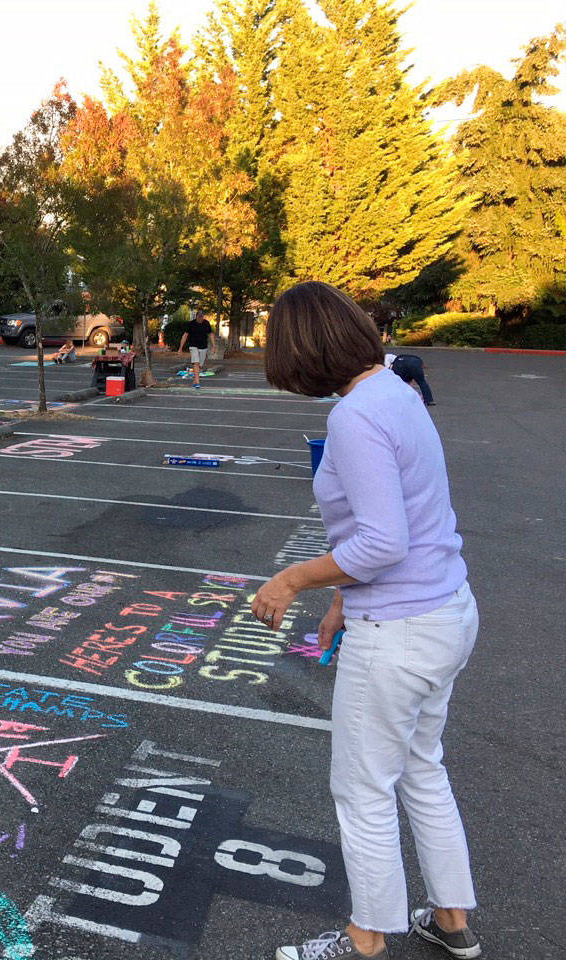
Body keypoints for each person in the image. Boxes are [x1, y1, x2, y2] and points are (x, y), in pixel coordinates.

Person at [255, 281, 480, 960]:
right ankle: (450, 921)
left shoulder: (355, 418)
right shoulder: (396, 392)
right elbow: (392, 519)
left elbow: (383, 541)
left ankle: (365, 939)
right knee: (420, 768)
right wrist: (340, 601)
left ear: (302, 350)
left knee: (362, 789)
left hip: (401, 633)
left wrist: (292, 578)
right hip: (443, 612)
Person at [178, 311, 215, 388]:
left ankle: (195, 380)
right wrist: (180, 348)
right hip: (193, 346)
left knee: (200, 365)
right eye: (199, 317)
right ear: (196, 316)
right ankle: (197, 383)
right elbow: (185, 335)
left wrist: (214, 346)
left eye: (202, 317)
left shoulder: (206, 323)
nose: (200, 318)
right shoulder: (191, 324)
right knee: (196, 363)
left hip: (203, 346)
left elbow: (210, 334)